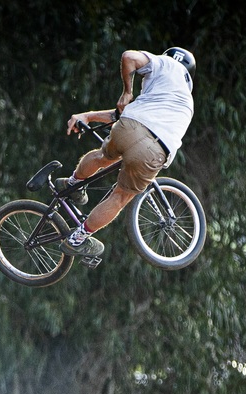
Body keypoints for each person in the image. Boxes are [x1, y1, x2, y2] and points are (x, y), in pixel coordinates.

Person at [57, 47, 196, 258]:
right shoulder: (185, 100)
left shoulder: (163, 64)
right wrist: (127, 93)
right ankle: (77, 239)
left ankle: (73, 183)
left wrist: (120, 96)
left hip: (128, 127)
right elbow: (129, 59)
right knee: (120, 196)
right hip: (154, 150)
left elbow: (129, 59)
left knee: (102, 156)